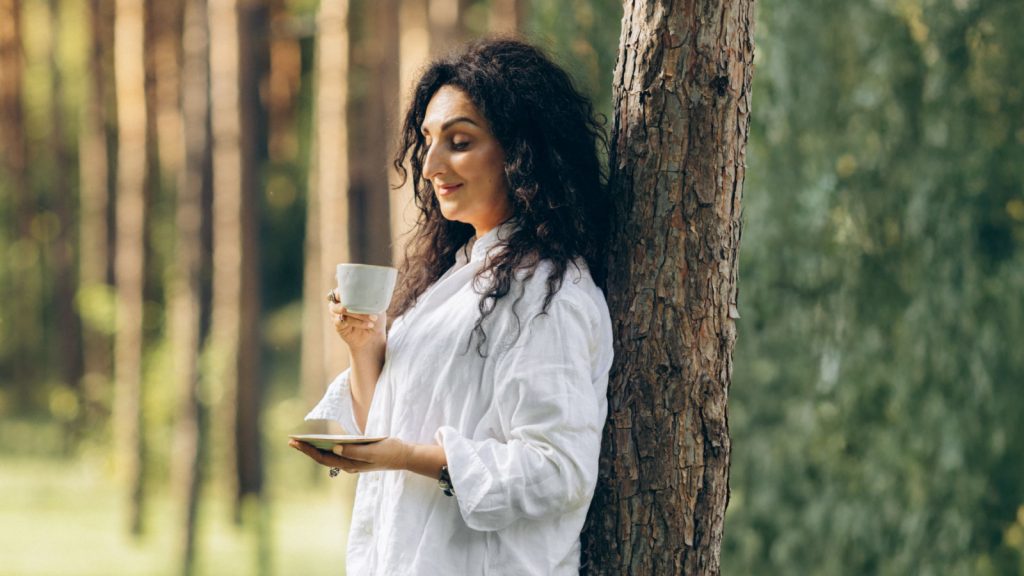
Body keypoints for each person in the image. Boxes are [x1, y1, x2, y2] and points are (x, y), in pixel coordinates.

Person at [289, 37, 614, 575]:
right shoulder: (457, 277)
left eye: (459, 141)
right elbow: (394, 425)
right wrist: (366, 349)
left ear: (522, 151)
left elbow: (558, 469)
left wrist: (405, 458)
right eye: (428, 142)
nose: (431, 165)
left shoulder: (552, 293)